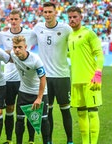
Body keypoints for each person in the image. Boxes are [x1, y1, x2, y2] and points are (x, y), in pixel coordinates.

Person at [31, 2, 73, 143]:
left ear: (56, 13)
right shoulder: (38, 28)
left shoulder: (66, 29)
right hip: (45, 78)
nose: (47, 14)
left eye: (50, 12)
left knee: (65, 110)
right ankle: (48, 141)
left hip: (62, 76)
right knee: (46, 112)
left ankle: (70, 140)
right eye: (45, 12)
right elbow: (25, 41)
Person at [0, 9, 35, 144]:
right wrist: (7, 53)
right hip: (9, 79)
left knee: (29, 109)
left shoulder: (30, 33)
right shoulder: (3, 34)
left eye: (16, 19)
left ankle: (30, 140)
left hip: (26, 78)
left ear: (20, 20)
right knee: (10, 109)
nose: (13, 22)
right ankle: (9, 139)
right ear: (8, 20)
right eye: (11, 19)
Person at [67, 6, 104, 144]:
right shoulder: (70, 36)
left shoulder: (89, 33)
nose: (72, 19)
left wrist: (98, 73)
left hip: (90, 79)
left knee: (93, 112)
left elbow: (99, 54)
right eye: (70, 17)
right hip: (76, 80)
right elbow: (71, 54)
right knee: (81, 112)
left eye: (75, 16)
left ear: (81, 17)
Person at [10, 35, 50, 144]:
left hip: (39, 93)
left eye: (20, 47)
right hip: (23, 92)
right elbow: (5, 54)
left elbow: (43, 78)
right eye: (15, 47)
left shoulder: (35, 60)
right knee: (19, 120)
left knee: (44, 120)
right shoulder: (13, 54)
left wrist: (39, 98)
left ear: (26, 47)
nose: (17, 50)